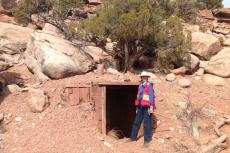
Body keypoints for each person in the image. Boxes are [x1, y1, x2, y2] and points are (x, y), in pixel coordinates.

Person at [128, 71, 156, 147]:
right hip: (140, 106)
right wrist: (137, 107)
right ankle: (133, 137)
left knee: (147, 123)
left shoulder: (149, 85)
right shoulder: (140, 86)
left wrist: (151, 106)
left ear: (147, 78)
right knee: (136, 122)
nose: (144, 78)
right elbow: (138, 96)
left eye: (145, 77)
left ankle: (147, 141)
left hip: (147, 107)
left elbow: (151, 96)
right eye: (143, 77)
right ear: (141, 78)